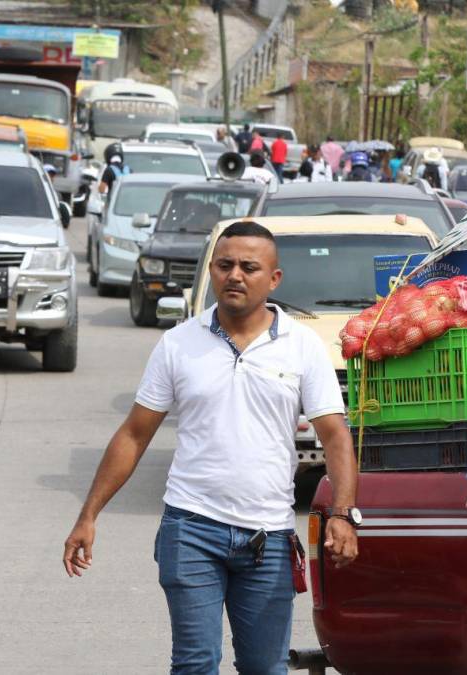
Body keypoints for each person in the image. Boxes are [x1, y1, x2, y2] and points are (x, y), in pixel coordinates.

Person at [63, 220, 359, 674]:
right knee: (196, 663)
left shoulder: (303, 347)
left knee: (265, 667)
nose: (234, 275)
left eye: (248, 266)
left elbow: (335, 435)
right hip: (191, 529)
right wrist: (88, 516)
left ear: (273, 278)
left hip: (269, 539)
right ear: (212, 272)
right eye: (225, 265)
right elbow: (134, 434)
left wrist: (342, 514)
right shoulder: (179, 344)